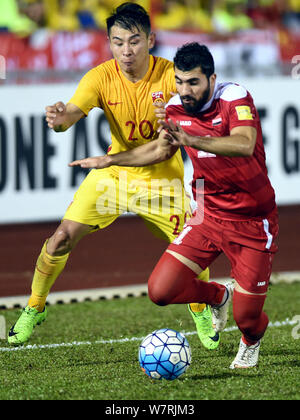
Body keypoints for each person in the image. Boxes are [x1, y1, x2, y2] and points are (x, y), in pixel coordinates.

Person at [8, 4, 217, 350]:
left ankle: (200, 308)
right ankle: (35, 307)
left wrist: (178, 115)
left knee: (193, 250)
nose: (126, 51)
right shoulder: (100, 77)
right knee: (61, 237)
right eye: (118, 42)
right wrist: (58, 119)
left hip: (162, 180)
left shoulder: (170, 76)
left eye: (134, 41)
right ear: (109, 43)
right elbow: (68, 118)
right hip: (115, 176)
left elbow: (196, 116)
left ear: (150, 40)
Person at [70, 42, 279, 369]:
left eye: (193, 82)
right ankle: (217, 296)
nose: (184, 90)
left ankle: (251, 340)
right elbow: (159, 150)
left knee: (248, 319)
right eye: (179, 82)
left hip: (251, 220)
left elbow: (244, 143)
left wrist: (191, 139)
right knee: (160, 290)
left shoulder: (234, 97)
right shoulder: (175, 108)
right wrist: (108, 160)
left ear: (212, 78)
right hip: (206, 214)